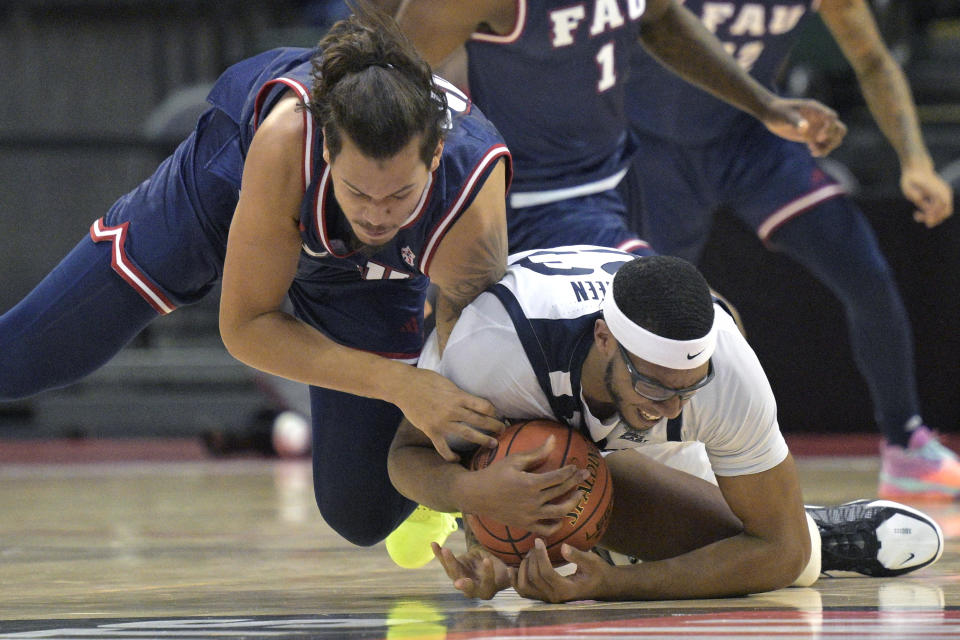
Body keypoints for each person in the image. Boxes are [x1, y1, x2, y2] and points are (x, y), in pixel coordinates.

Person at [0, 3, 511, 546]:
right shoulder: (287, 137)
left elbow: (478, 348)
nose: (376, 214)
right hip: (220, 195)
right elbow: (246, 326)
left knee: (361, 515)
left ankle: (428, 505)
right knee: (24, 359)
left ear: (434, 157)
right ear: (328, 150)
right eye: (359, 191)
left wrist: (468, 490)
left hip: (363, 276)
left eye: (399, 195)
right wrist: (402, 385)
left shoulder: (473, 199)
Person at [386, 246, 944, 601]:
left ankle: (813, 531)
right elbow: (406, 456)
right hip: (533, 399)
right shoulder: (495, 351)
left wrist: (613, 588)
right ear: (606, 338)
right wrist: (476, 502)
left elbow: (780, 552)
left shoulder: (728, 374)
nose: (671, 407)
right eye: (654, 385)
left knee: (779, 560)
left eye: (688, 388)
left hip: (627, 434)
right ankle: (817, 528)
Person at [618, 0, 957, 499]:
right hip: (657, 147)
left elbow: (873, 59)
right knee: (651, 315)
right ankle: (637, 454)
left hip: (753, 139)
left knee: (863, 269)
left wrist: (916, 161)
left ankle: (907, 444)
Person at [394, 0, 848, 256]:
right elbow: (384, 78)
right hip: (536, 204)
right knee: (697, 330)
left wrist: (764, 104)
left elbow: (663, 20)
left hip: (621, 178)